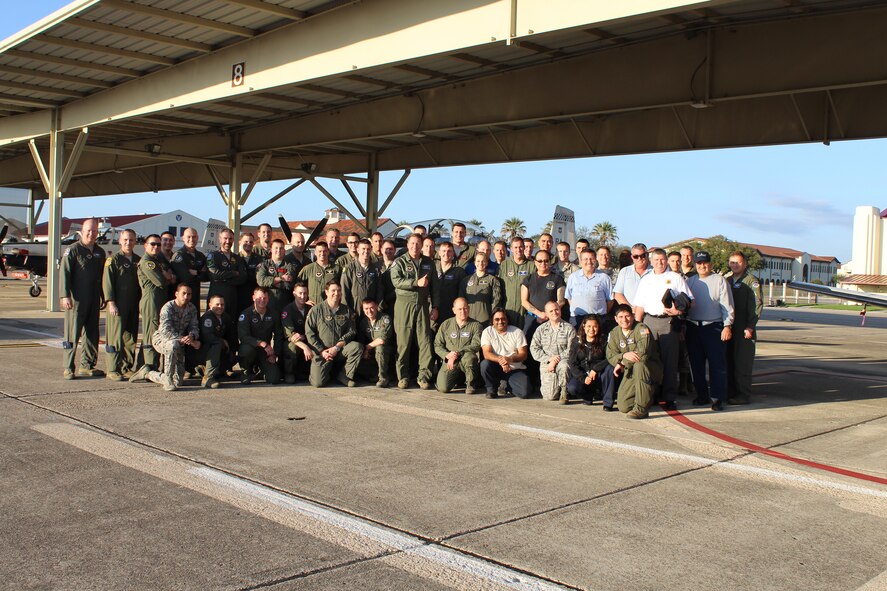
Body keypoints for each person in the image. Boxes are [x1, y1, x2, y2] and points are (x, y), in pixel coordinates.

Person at [633, 248, 694, 410]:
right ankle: (652, 394)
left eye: (662, 259)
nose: (659, 262)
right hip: (649, 322)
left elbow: (690, 300)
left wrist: (678, 311)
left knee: (670, 361)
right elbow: (639, 305)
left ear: (666, 260)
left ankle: (669, 396)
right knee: (650, 359)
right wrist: (636, 327)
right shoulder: (646, 279)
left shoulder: (675, 277)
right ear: (651, 261)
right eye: (656, 260)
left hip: (668, 322)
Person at [686, 251, 735, 411]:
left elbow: (727, 305)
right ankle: (702, 395)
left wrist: (727, 325)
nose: (702, 266)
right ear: (695, 265)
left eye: (705, 263)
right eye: (699, 263)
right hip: (693, 327)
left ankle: (717, 397)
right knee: (696, 365)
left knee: (717, 364)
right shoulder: (690, 281)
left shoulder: (720, 281)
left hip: (713, 327)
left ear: (711, 264)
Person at [390, 233, 439, 389]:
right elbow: (396, 281)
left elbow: (435, 288)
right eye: (412, 243)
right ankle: (403, 377)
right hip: (404, 306)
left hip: (423, 306)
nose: (415, 246)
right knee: (403, 343)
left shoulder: (428, 263)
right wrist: (415, 282)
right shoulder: (400, 262)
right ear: (407, 244)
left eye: (418, 244)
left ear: (422, 245)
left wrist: (435, 306)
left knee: (425, 342)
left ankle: (423, 376)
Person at [130, 283, 201, 392]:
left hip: (181, 342)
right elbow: (165, 331)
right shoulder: (168, 307)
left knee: (178, 382)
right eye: (184, 293)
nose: (186, 297)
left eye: (189, 294)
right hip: (162, 340)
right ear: (176, 294)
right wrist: (182, 339)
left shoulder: (191, 308)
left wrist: (192, 337)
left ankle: (148, 373)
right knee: (173, 345)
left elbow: (194, 326)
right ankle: (167, 379)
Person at [60, 217, 107, 379]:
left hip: (93, 299)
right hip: (76, 299)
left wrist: (103, 296)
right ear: (81, 232)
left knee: (92, 333)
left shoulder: (100, 252)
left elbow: (102, 277)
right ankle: (68, 366)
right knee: (72, 333)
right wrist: (64, 295)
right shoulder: (73, 250)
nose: (91, 234)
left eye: (94, 231)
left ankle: (87, 365)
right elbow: (65, 273)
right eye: (88, 230)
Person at [607, 304, 662, 419]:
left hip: (649, 369)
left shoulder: (642, 329)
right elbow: (611, 355)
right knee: (623, 406)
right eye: (620, 317)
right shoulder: (614, 333)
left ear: (632, 316)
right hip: (631, 371)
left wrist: (622, 362)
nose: (624, 320)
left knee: (639, 365)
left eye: (627, 316)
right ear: (616, 319)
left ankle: (641, 409)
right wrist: (624, 355)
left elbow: (643, 354)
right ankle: (647, 397)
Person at [305, 280, 363, 387]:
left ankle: (343, 375)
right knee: (318, 383)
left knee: (357, 347)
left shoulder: (347, 311)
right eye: (333, 290)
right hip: (322, 352)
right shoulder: (316, 310)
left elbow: (352, 331)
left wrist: (337, 347)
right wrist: (322, 351)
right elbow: (310, 333)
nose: (336, 293)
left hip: (339, 350)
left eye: (339, 291)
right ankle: (327, 372)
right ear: (326, 292)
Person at [102, 228, 140, 381]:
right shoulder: (113, 260)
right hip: (118, 305)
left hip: (133, 305)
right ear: (120, 241)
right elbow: (108, 283)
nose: (128, 243)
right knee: (115, 337)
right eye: (125, 240)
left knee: (131, 337)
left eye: (131, 240)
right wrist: (111, 302)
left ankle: (126, 367)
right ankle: (112, 368)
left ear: (135, 242)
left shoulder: (138, 260)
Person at [726, 251, 763, 405]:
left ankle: (743, 394)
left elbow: (757, 305)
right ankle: (731, 392)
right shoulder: (727, 280)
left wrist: (750, 326)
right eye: (732, 262)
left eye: (738, 262)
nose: (735, 265)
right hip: (729, 326)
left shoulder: (751, 281)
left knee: (743, 363)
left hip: (743, 327)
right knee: (729, 361)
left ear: (745, 264)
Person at [138, 233, 175, 372]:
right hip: (151, 300)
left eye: (158, 244)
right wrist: (167, 276)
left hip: (159, 298)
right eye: (152, 244)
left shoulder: (157, 261)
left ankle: (148, 365)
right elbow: (160, 281)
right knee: (151, 332)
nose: (156, 247)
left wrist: (166, 275)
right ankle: (149, 365)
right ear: (145, 246)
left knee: (158, 330)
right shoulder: (147, 262)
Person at [434, 297, 482, 393]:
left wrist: (458, 353)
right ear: (454, 310)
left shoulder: (476, 325)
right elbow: (437, 345)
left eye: (465, 308)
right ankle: (458, 379)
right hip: (451, 361)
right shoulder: (446, 325)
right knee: (443, 388)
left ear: (469, 308)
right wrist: (447, 355)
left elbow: (476, 345)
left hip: (466, 359)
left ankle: (471, 384)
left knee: (469, 358)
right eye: (460, 309)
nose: (463, 311)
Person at [530, 301, 575, 402]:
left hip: (563, 361)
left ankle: (564, 391)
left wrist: (555, 360)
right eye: (551, 311)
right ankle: (554, 388)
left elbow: (572, 349)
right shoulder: (540, 329)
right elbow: (534, 348)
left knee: (564, 366)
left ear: (560, 311)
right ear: (546, 314)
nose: (554, 312)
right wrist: (549, 359)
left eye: (556, 309)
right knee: (549, 397)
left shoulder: (569, 328)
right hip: (547, 363)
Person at [480, 308, 530, 398]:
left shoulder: (517, 332)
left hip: (514, 369)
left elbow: (523, 354)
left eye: (503, 318)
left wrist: (510, 359)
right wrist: (501, 360)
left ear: (507, 319)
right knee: (485, 364)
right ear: (492, 321)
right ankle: (491, 389)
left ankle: (506, 386)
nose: (500, 321)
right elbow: (486, 354)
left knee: (524, 392)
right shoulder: (487, 332)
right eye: (497, 319)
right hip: (496, 366)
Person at [568, 316, 616, 409]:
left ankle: (608, 403)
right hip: (585, 375)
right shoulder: (576, 341)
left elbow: (609, 358)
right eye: (589, 326)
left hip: (599, 374)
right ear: (584, 326)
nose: (591, 329)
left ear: (598, 327)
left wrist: (595, 369)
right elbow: (572, 363)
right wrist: (583, 378)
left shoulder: (604, 340)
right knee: (572, 388)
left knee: (610, 368)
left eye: (595, 326)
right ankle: (588, 396)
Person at [237, 286, 283, 385]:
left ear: (268, 299)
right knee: (246, 350)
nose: (262, 300)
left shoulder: (273, 314)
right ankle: (245, 372)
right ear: (253, 298)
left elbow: (279, 335)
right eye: (259, 298)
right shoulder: (246, 314)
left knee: (274, 379)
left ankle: (261, 371)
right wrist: (262, 343)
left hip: (265, 352)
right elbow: (243, 337)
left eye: (265, 298)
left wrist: (275, 354)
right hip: (251, 348)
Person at [520, 249, 566, 343]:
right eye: (540, 261)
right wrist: (539, 314)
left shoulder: (558, 279)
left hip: (552, 318)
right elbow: (524, 301)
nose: (543, 263)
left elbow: (561, 301)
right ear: (535, 262)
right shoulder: (528, 279)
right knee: (528, 342)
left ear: (550, 262)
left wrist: (549, 314)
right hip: (533, 318)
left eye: (546, 261)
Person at [565, 249, 613, 328]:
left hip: (598, 319)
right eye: (585, 259)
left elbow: (610, 300)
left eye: (591, 259)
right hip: (578, 319)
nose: (589, 262)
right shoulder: (573, 277)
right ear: (580, 261)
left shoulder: (604, 278)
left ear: (596, 260)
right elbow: (569, 298)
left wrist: (602, 314)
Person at [197, 294, 237, 389]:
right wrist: (223, 341)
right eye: (217, 304)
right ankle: (208, 378)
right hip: (202, 351)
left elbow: (232, 335)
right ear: (210, 305)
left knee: (233, 357)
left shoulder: (225, 317)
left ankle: (206, 369)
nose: (220, 307)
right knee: (217, 343)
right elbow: (208, 337)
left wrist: (232, 351)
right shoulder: (208, 318)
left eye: (222, 304)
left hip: (217, 352)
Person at [170, 227, 208, 314]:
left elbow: (207, 276)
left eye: (194, 237)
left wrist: (196, 272)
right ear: (183, 238)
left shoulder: (200, 255)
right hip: (183, 298)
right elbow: (186, 277)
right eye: (188, 237)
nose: (191, 239)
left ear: (197, 238)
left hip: (195, 296)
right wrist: (200, 273)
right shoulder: (179, 255)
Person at [341, 238, 383, 316]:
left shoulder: (375, 269)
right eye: (363, 249)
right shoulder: (349, 268)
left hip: (370, 310)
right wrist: (346, 310)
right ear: (358, 250)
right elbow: (344, 290)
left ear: (371, 250)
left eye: (368, 249)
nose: (366, 251)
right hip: (354, 309)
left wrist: (378, 306)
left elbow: (379, 290)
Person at [281, 282, 313, 384]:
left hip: (308, 339)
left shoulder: (311, 309)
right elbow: (292, 336)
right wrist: (305, 347)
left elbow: (316, 330)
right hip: (294, 342)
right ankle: (289, 373)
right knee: (292, 347)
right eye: (300, 293)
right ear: (294, 294)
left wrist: (304, 337)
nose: (303, 296)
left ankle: (308, 371)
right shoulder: (287, 310)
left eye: (305, 293)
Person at [206, 228, 245, 311]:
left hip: (232, 299)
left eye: (230, 239)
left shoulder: (238, 258)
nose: (228, 241)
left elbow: (242, 278)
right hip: (216, 299)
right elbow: (214, 275)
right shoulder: (212, 256)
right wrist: (233, 273)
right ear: (220, 239)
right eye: (225, 238)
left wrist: (223, 278)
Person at [460, 251, 502, 326]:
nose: (480, 263)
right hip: (469, 318)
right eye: (478, 261)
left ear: (487, 263)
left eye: (483, 261)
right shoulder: (466, 280)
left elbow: (496, 300)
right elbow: (461, 300)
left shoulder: (492, 280)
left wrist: (492, 316)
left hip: (485, 319)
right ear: (474, 263)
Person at [357, 298, 393, 387]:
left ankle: (383, 378)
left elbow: (382, 339)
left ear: (376, 306)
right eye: (366, 308)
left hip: (387, 351)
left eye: (371, 307)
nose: (369, 311)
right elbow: (361, 340)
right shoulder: (363, 322)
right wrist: (364, 351)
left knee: (380, 348)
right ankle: (373, 375)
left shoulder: (385, 319)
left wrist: (366, 348)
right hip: (371, 351)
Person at [256, 238, 299, 314]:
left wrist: (270, 283)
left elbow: (289, 285)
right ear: (271, 250)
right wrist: (281, 278)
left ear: (284, 251)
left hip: (284, 304)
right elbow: (261, 281)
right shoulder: (264, 265)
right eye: (276, 248)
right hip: (267, 303)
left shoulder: (290, 266)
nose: (278, 251)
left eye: (281, 248)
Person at [497, 236, 532, 327]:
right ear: (511, 249)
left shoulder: (531, 266)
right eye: (515, 247)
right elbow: (498, 288)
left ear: (524, 247)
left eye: (520, 247)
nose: (518, 250)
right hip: (508, 309)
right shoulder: (504, 265)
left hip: (525, 311)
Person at [297, 241, 340, 305]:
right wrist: (304, 301)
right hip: (313, 307)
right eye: (319, 251)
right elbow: (298, 287)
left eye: (324, 251)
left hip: (331, 306)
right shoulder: (308, 269)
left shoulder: (337, 268)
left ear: (328, 252)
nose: (322, 253)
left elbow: (342, 287)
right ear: (315, 253)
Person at [434, 241, 467, 327]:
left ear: (453, 254)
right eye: (444, 251)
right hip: (433, 310)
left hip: (450, 312)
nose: (446, 253)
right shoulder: (433, 268)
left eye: (449, 251)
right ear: (439, 253)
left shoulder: (459, 272)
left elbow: (462, 294)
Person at [238, 231, 264, 315]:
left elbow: (260, 277)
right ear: (240, 242)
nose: (248, 244)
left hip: (254, 295)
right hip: (238, 295)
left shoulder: (259, 259)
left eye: (251, 242)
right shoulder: (235, 258)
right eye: (245, 241)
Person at [379, 239, 398, 314]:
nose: (388, 251)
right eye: (386, 249)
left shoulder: (399, 265)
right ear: (381, 250)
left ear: (395, 250)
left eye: (391, 249)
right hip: (379, 304)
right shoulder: (376, 265)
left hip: (395, 303)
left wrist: (387, 298)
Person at [160, 230, 177, 301]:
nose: (168, 242)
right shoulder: (155, 258)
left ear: (174, 242)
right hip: (160, 296)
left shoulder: (177, 258)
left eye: (170, 240)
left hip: (174, 297)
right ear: (160, 241)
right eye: (165, 240)